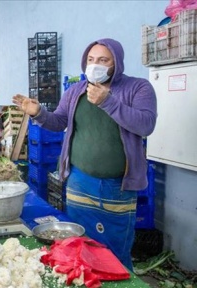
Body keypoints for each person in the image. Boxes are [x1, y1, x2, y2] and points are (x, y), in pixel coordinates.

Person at [12, 38, 157, 271]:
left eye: (103, 60)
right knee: (80, 244)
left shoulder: (137, 88)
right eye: (91, 59)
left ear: (116, 63)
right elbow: (59, 122)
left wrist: (107, 102)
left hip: (117, 186)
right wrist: (38, 112)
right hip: (79, 182)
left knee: (115, 248)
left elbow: (145, 125)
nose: (95, 64)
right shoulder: (76, 91)